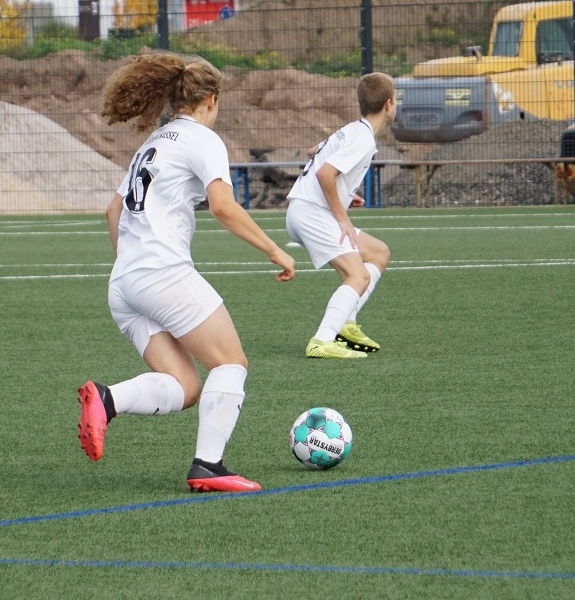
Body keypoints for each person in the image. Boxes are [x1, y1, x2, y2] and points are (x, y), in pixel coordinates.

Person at [78, 53, 296, 493]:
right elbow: (223, 207)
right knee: (230, 362)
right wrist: (275, 249)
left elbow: (113, 211)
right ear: (211, 100)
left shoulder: (154, 141)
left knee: (185, 387)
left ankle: (107, 398)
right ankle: (208, 466)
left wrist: (134, 267)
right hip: (161, 273)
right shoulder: (202, 139)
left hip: (123, 283)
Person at [285, 72, 396, 359]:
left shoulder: (352, 130)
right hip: (312, 213)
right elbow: (325, 173)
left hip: (303, 209)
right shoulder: (363, 138)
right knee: (358, 275)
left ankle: (346, 323)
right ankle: (322, 340)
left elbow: (314, 151)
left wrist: (345, 193)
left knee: (378, 253)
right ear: (388, 103)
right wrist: (342, 216)